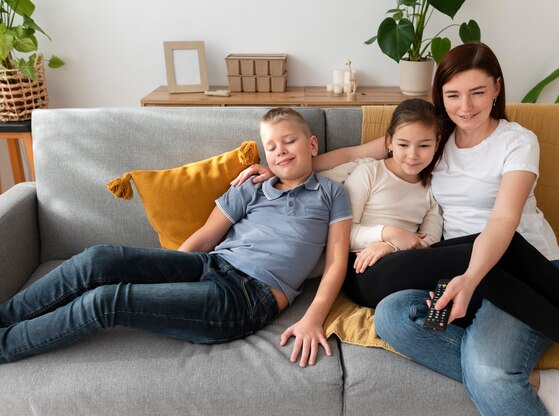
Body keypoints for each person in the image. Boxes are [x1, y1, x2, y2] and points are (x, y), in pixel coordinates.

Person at [231, 44, 559, 415]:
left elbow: (504, 223)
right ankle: (554, 372)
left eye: (477, 92)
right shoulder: (433, 139)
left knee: (490, 369)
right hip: (455, 269)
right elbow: (354, 154)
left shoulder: (517, 142)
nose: (465, 106)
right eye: (453, 95)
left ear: (496, 90)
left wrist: (469, 278)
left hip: (527, 271)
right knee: (392, 315)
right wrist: (284, 168)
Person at [0, 107, 352, 367]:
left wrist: (313, 318)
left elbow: (337, 260)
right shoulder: (250, 187)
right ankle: (5, 315)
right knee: (98, 259)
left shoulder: (331, 194)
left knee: (106, 301)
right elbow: (206, 237)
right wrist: (167, 274)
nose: (280, 151)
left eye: (289, 141)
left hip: (246, 298)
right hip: (210, 264)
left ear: (313, 144)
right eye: (271, 146)